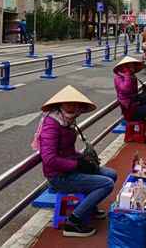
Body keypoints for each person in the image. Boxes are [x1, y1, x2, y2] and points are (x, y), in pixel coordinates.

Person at [33, 85, 117, 238]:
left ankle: (89, 205)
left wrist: (82, 159)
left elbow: (68, 151)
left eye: (76, 104)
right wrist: (78, 164)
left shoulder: (68, 121)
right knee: (107, 184)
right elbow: (50, 159)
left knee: (111, 174)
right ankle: (73, 222)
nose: (74, 107)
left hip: (70, 168)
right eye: (69, 104)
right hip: (58, 177)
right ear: (60, 105)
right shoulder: (51, 126)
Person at [113, 57, 146, 142]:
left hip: (137, 106)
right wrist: (127, 74)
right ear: (124, 67)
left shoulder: (131, 77)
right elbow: (126, 89)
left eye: (133, 66)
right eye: (130, 66)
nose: (133, 68)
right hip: (131, 112)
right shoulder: (118, 78)